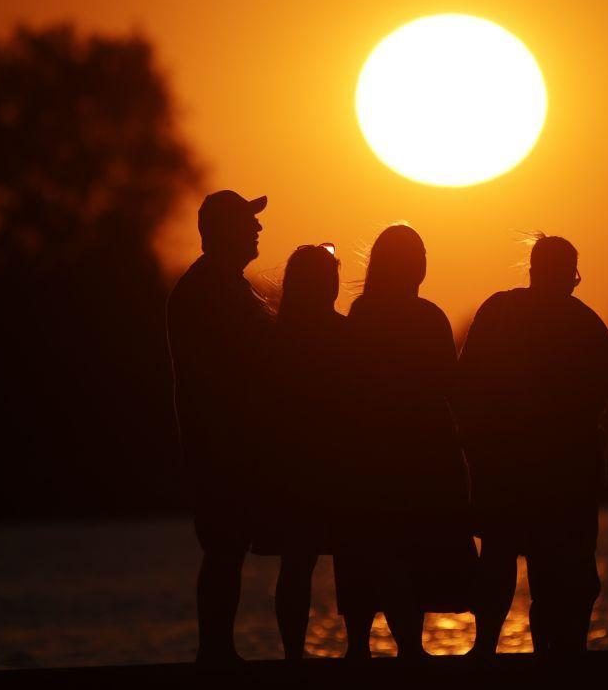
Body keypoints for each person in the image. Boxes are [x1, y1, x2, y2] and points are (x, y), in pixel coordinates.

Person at [456, 235, 608, 655]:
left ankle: (485, 651)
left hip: (505, 468)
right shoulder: (587, 324)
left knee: (498, 558)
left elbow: (462, 385)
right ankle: (560, 655)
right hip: (567, 474)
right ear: (572, 276)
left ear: (533, 271)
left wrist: (474, 443)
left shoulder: (497, 311)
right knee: (563, 570)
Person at [336, 224, 477, 659]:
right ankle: (409, 650)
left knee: (376, 548)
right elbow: (451, 386)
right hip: (422, 450)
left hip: (375, 450)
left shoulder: (362, 313)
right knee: (412, 547)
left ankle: (363, 648)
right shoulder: (428, 317)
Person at [166, 190, 272, 669]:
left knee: (228, 549)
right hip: (219, 445)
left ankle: (217, 651)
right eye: (248, 222)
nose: (258, 229)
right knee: (224, 549)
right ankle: (215, 653)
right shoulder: (209, 289)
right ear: (223, 230)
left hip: (231, 443)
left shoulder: (222, 285)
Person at [251, 243, 348, 660]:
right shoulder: (345, 334)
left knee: (297, 561)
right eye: (329, 276)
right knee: (348, 555)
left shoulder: (274, 339)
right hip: (333, 466)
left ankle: (294, 656)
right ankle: (357, 648)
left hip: (292, 467)